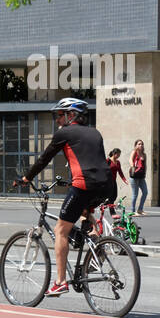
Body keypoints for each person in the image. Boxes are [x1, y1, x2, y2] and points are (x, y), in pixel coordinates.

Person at [18, 97, 109, 297]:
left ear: (71, 115)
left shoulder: (64, 133)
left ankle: (60, 282)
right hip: (105, 186)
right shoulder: (96, 132)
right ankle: (96, 247)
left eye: (60, 115)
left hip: (83, 185)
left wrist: (26, 177)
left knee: (60, 230)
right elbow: (91, 162)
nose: (58, 120)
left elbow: (44, 159)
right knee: (85, 214)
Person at [129, 139, 148, 214]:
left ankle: (140, 209)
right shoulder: (134, 152)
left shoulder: (144, 154)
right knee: (135, 194)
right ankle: (133, 211)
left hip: (141, 176)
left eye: (142, 144)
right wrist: (133, 166)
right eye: (139, 144)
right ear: (136, 145)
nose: (141, 145)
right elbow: (130, 159)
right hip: (134, 176)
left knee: (145, 192)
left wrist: (145, 173)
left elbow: (145, 165)